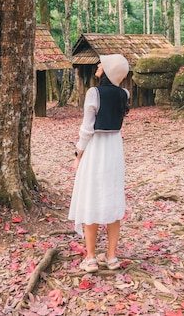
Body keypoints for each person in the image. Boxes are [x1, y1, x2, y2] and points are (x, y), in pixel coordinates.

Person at [68, 53, 130, 273]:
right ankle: (112, 257)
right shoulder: (124, 93)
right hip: (114, 150)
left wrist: (78, 155)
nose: (97, 66)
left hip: (95, 150)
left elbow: (87, 128)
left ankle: (91, 257)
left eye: (101, 64)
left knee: (91, 198)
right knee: (112, 200)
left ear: (108, 70)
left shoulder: (94, 93)